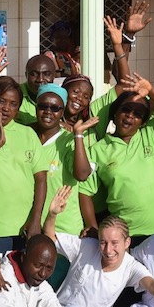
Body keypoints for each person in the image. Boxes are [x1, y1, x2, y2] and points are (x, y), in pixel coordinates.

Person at [83, 76, 154, 242]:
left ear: (143, 122)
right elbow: (85, 191)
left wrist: (152, 91)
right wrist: (92, 226)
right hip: (128, 236)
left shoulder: (152, 134)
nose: (130, 116)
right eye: (126, 110)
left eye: (137, 114)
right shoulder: (98, 150)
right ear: (115, 113)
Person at [0, 76, 47, 254]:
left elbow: (41, 180)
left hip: (25, 228)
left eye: (13, 104)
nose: (6, 108)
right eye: (1, 101)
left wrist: (35, 220)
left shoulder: (28, 134)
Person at [31, 84, 98, 242]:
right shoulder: (27, 136)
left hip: (63, 229)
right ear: (36, 107)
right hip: (30, 226)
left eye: (55, 108)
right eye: (43, 106)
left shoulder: (69, 140)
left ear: (62, 111)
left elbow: (82, 175)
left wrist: (78, 135)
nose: (48, 111)